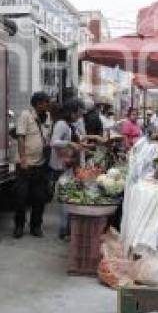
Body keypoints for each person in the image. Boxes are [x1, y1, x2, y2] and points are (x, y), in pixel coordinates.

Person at [14, 91, 53, 238]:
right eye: (45, 102)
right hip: (25, 165)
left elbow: (47, 136)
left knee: (39, 198)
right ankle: (19, 226)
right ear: (38, 103)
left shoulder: (48, 116)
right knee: (21, 198)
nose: (48, 104)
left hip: (41, 164)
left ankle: (36, 226)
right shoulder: (26, 115)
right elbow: (20, 138)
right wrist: (23, 159)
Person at [49, 100, 85, 239]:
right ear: (71, 112)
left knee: (68, 198)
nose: (79, 117)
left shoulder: (70, 124)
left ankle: (67, 229)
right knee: (65, 200)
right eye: (78, 113)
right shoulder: (61, 124)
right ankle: (64, 230)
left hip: (69, 165)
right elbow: (54, 142)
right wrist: (69, 143)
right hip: (63, 166)